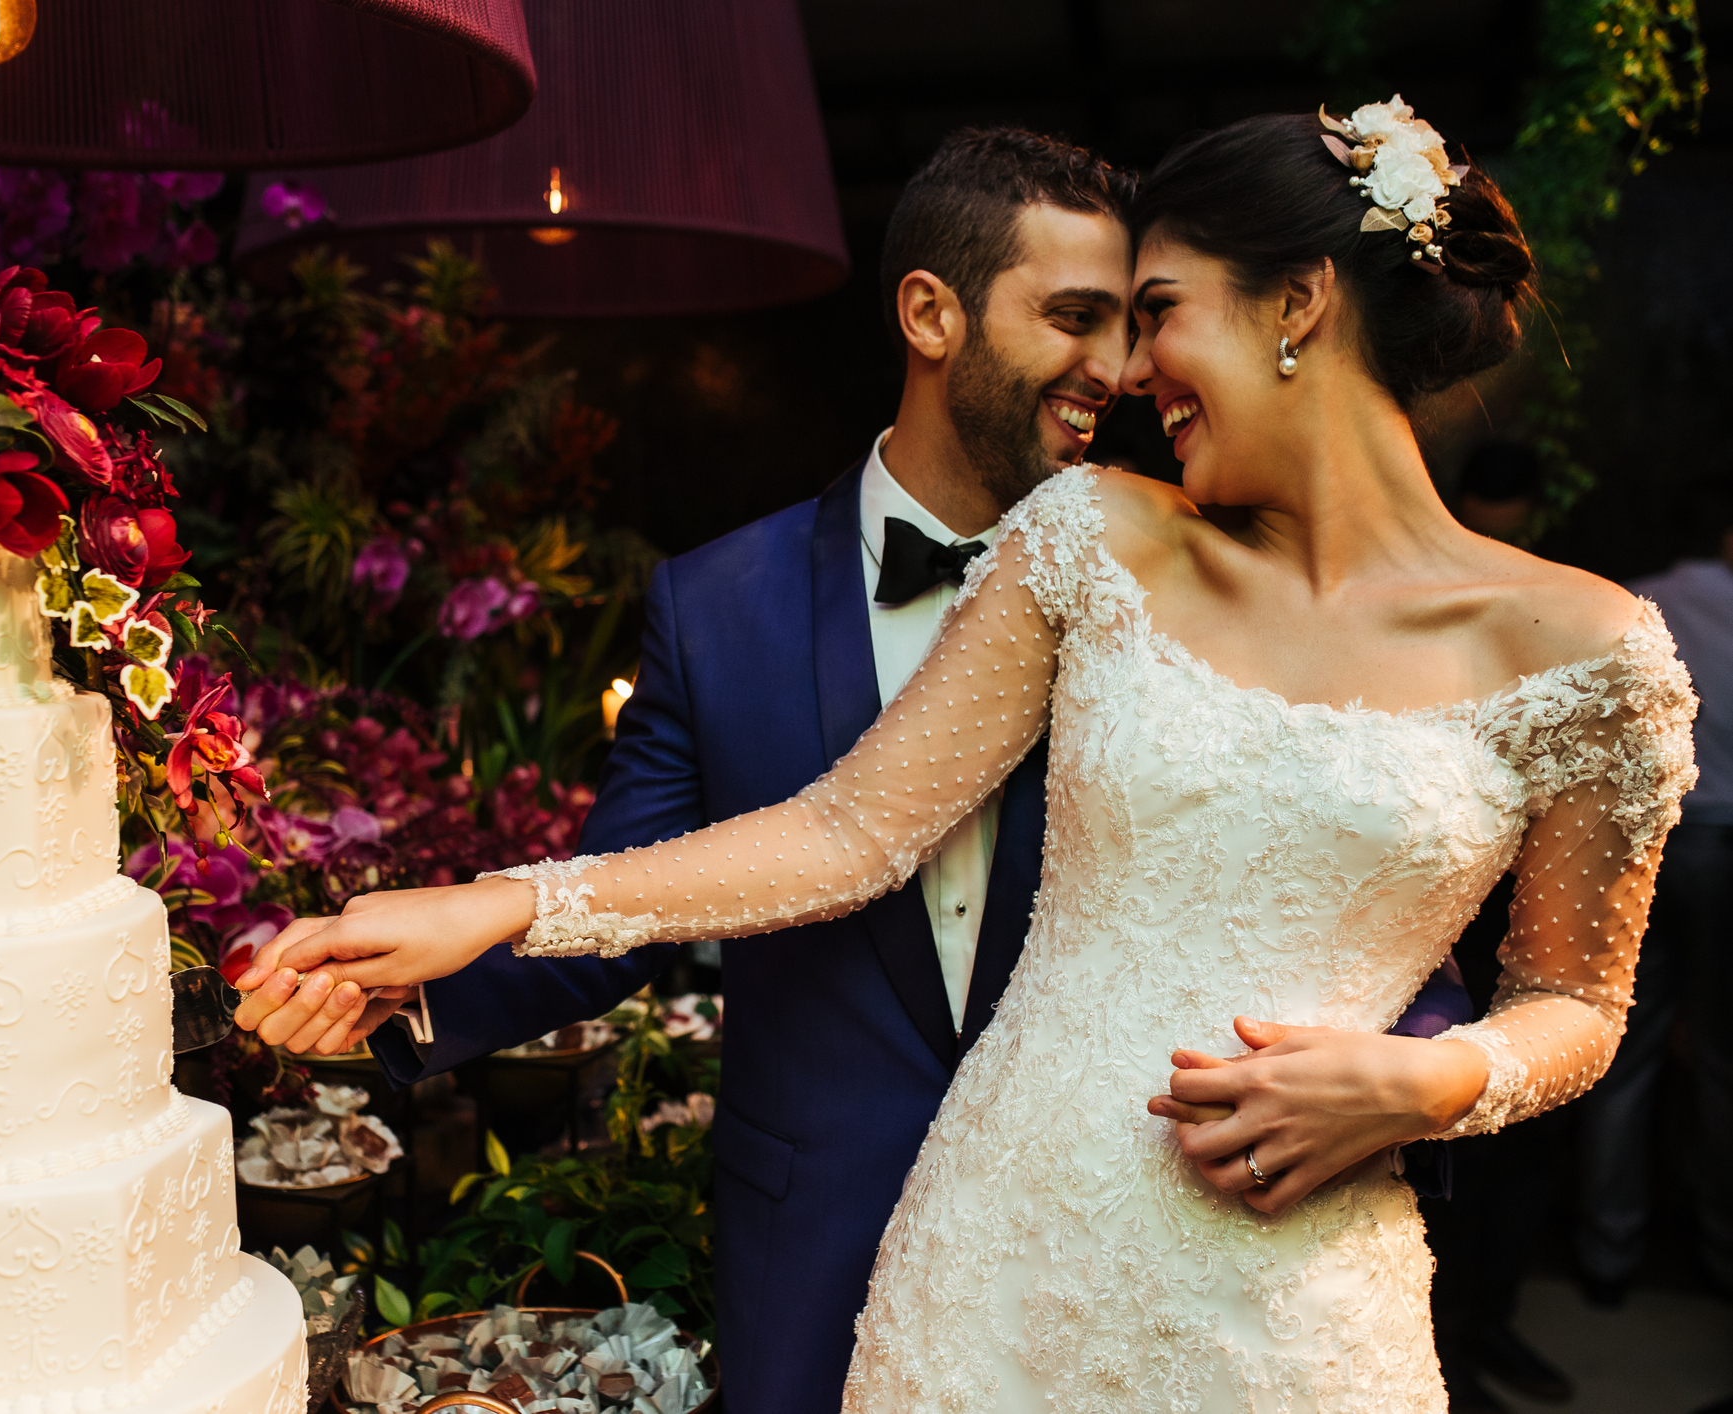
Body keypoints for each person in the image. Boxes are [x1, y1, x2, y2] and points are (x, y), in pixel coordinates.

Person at [241, 99, 1698, 1409]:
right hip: (995, 1270)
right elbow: (845, 832)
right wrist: (492, 903)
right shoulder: (1097, 536)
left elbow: (1574, 994)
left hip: (1291, 1305)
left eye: (1160, 312)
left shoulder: (1591, 655)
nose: (1132, 371)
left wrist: (1429, 1083)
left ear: (1300, 303)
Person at [1573, 487, 1733, 1305]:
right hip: (1723, 842)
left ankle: (1608, 1252)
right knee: (1718, 1063)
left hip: (1654, 839)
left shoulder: (1642, 605)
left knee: (1620, 1051)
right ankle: (1717, 1255)